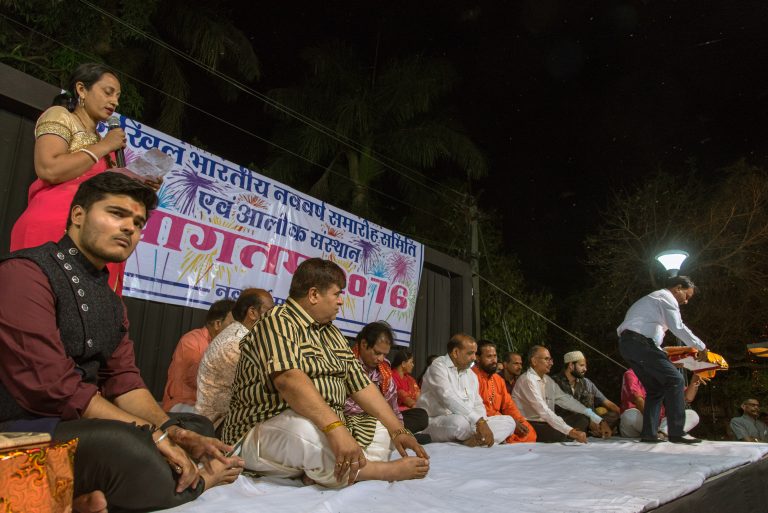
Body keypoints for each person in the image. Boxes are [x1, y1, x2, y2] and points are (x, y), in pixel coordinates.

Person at [0, 172, 242, 512]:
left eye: (138, 223)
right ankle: (202, 481)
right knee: (124, 445)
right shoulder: (26, 272)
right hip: (20, 428)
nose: (130, 228)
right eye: (116, 213)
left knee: (194, 425)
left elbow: (125, 382)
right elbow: (54, 387)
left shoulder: (112, 303)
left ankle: (72, 498)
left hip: (74, 426)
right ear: (78, 215)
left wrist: (172, 432)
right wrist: (153, 435)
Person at [221, 258, 429, 488]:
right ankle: (376, 471)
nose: (341, 301)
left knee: (378, 427)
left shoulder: (333, 334)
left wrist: (398, 430)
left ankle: (329, 469)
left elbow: (361, 384)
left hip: (321, 425)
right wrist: (336, 429)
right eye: (337, 294)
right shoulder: (277, 320)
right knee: (303, 430)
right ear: (313, 295)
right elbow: (289, 381)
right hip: (261, 430)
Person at [10, 62, 160, 295]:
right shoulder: (61, 116)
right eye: (108, 92)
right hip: (53, 228)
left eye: (117, 96)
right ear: (81, 89)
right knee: (39, 300)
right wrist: (104, 146)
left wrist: (140, 184)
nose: (114, 102)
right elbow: (49, 169)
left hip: (95, 237)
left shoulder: (105, 143)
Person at [617, 276, 707, 444]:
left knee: (655, 389)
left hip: (629, 345)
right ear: (678, 288)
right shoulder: (666, 297)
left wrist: (672, 357)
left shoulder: (653, 302)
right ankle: (676, 432)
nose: (686, 301)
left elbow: (655, 342)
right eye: (687, 296)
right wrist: (701, 346)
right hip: (640, 343)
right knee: (676, 380)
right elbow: (678, 327)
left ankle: (649, 434)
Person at [416, 334, 516, 446]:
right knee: (459, 423)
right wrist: (478, 421)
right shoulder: (438, 367)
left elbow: (477, 404)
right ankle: (476, 440)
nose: (474, 358)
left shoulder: (471, 374)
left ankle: (473, 440)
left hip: (469, 422)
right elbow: (448, 397)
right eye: (470, 353)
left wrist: (482, 422)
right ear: (455, 352)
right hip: (438, 420)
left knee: (509, 421)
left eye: (475, 353)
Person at [195, 288, 274, 429]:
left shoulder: (242, 336)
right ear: (252, 313)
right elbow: (256, 392)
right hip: (215, 426)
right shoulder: (235, 343)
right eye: (270, 311)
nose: (275, 317)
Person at [345, 322, 429, 442]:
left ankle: (396, 435)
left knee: (421, 416)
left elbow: (393, 406)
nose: (381, 359)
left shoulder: (384, 370)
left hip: (382, 419)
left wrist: (399, 429)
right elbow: (343, 405)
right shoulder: (347, 363)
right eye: (377, 353)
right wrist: (377, 413)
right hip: (355, 418)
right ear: (363, 344)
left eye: (384, 354)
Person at [512, 346, 611, 443]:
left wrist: (599, 420)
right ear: (534, 361)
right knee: (559, 430)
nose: (551, 363)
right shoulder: (528, 380)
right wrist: (571, 431)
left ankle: (568, 435)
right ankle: (568, 436)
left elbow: (568, 401)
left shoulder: (548, 380)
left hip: (549, 422)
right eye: (547, 359)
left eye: (551, 360)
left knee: (583, 419)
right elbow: (543, 411)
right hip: (530, 424)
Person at [162, 299, 235, 412]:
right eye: (233, 325)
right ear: (217, 324)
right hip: (182, 403)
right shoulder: (191, 340)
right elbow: (195, 378)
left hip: (208, 406)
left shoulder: (229, 346)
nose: (236, 331)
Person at [472, 340, 537, 443]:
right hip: (482, 421)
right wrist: (512, 422)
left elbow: (509, 406)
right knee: (508, 428)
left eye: (495, 356)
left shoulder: (498, 379)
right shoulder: (472, 376)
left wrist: (519, 421)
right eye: (489, 356)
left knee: (530, 432)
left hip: (502, 420)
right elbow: (480, 409)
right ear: (478, 358)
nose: (494, 360)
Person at [619, 368, 702, 438]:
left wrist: (694, 381)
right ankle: (661, 433)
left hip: (658, 425)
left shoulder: (663, 374)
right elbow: (639, 401)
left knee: (692, 415)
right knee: (630, 415)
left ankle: (662, 433)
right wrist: (653, 425)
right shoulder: (631, 373)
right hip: (640, 422)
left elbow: (687, 397)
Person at [552, 351, 620, 434]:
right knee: (582, 419)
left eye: (585, 366)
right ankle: (594, 429)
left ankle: (596, 430)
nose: (585, 369)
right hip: (566, 422)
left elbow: (606, 402)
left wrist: (622, 414)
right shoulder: (554, 382)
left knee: (614, 415)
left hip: (589, 420)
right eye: (581, 365)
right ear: (571, 365)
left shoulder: (587, 383)